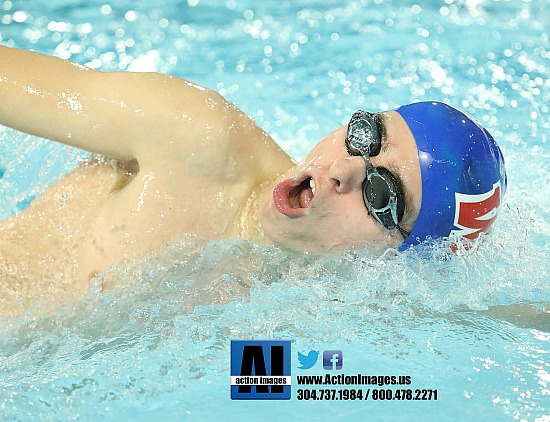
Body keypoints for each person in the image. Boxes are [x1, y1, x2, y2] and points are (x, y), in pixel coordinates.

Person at [0, 46, 506, 313]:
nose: (346, 168)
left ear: (394, 257)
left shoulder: (316, 320)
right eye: (366, 134)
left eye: (382, 194)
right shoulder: (192, 137)